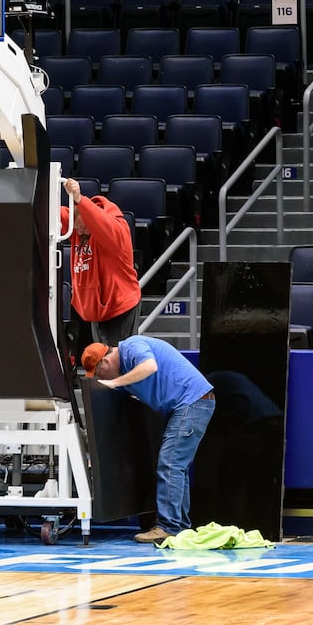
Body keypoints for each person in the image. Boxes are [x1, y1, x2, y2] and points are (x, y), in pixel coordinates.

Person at [79, 336, 215, 545]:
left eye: (98, 373)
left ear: (105, 362)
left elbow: (150, 367)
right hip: (192, 404)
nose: (99, 378)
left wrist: (114, 383)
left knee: (170, 464)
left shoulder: (132, 347)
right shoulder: (126, 370)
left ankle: (168, 528)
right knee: (177, 467)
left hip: (191, 403)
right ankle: (180, 527)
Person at [59, 177, 141, 363]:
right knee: (102, 366)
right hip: (96, 309)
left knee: (117, 365)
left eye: (83, 228)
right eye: (77, 229)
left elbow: (101, 224)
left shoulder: (117, 228)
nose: (79, 233)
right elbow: (56, 216)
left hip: (119, 307)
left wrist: (80, 199)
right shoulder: (78, 225)